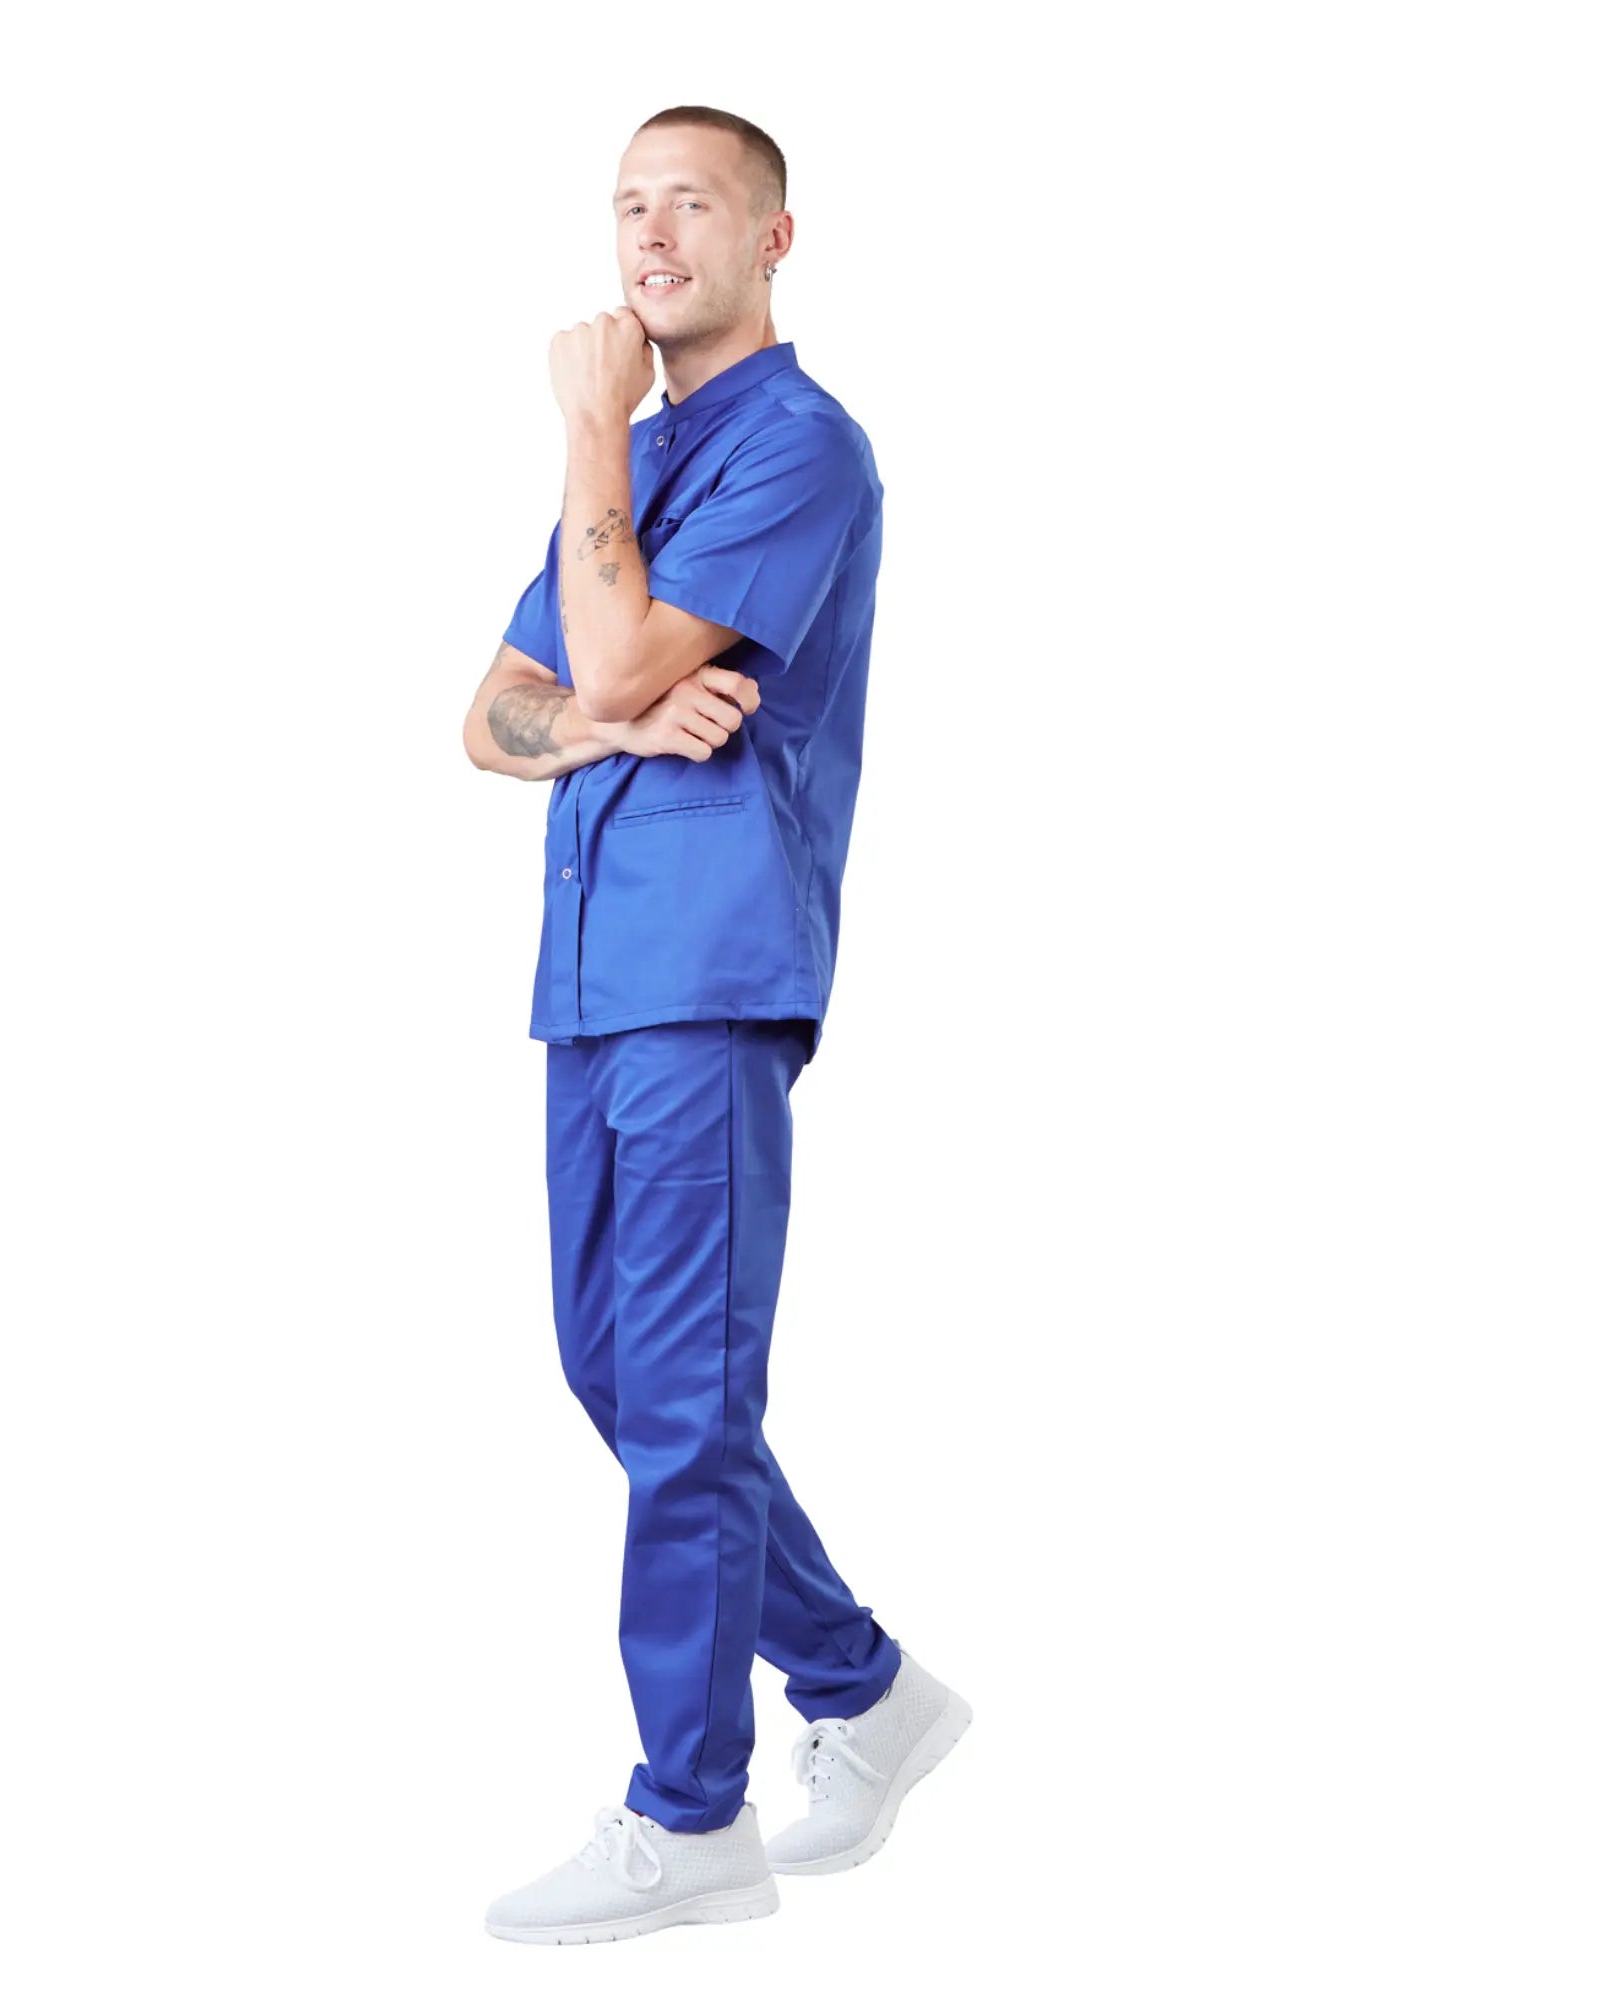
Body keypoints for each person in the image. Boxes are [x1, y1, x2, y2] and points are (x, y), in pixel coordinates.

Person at [461, 105, 971, 1948]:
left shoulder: (795, 448)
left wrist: (587, 430)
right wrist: (608, 714)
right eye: (627, 206)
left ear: (773, 239)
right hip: (593, 978)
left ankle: (691, 1814)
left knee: (683, 1398)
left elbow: (590, 658)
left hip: (709, 969)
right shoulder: (646, 458)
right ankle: (867, 1691)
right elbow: (497, 714)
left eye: (692, 202)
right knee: (613, 1372)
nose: (651, 235)